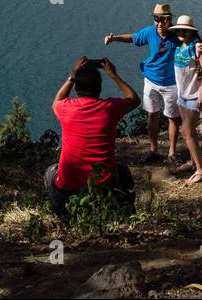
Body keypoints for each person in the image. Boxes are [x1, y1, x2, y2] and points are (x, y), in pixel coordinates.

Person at [45, 56, 139, 221]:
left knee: (50, 172)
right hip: (104, 185)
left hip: (69, 185)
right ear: (100, 88)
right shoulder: (109, 108)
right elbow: (133, 99)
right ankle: (125, 213)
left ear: (75, 88)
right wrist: (114, 75)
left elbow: (56, 101)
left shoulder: (66, 108)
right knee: (122, 170)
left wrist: (72, 75)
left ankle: (63, 215)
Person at [103, 3, 182, 165]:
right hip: (151, 80)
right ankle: (153, 150)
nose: (159, 23)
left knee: (172, 118)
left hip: (171, 83)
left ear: (170, 20)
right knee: (152, 115)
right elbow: (133, 37)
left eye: (163, 20)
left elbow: (194, 41)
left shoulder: (178, 35)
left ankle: (172, 152)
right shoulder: (150, 32)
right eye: (156, 19)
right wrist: (114, 38)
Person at [169, 14, 202, 185]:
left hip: (195, 95)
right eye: (179, 29)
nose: (181, 32)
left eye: (185, 30)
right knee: (190, 131)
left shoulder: (198, 47)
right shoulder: (181, 46)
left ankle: (201, 170)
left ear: (191, 32)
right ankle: (194, 162)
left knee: (186, 132)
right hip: (183, 95)